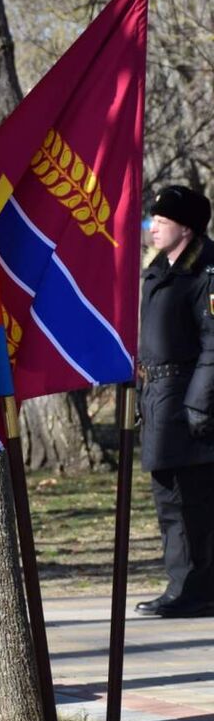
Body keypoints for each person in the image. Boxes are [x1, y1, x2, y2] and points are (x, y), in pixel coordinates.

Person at [136, 185, 214, 618]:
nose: (154, 227)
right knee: (171, 496)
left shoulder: (205, 272)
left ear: (187, 227)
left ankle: (190, 588)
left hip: (188, 398)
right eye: (153, 219)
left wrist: (199, 403)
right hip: (160, 397)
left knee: (187, 500)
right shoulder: (159, 269)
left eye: (163, 221)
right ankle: (192, 584)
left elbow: (213, 344)